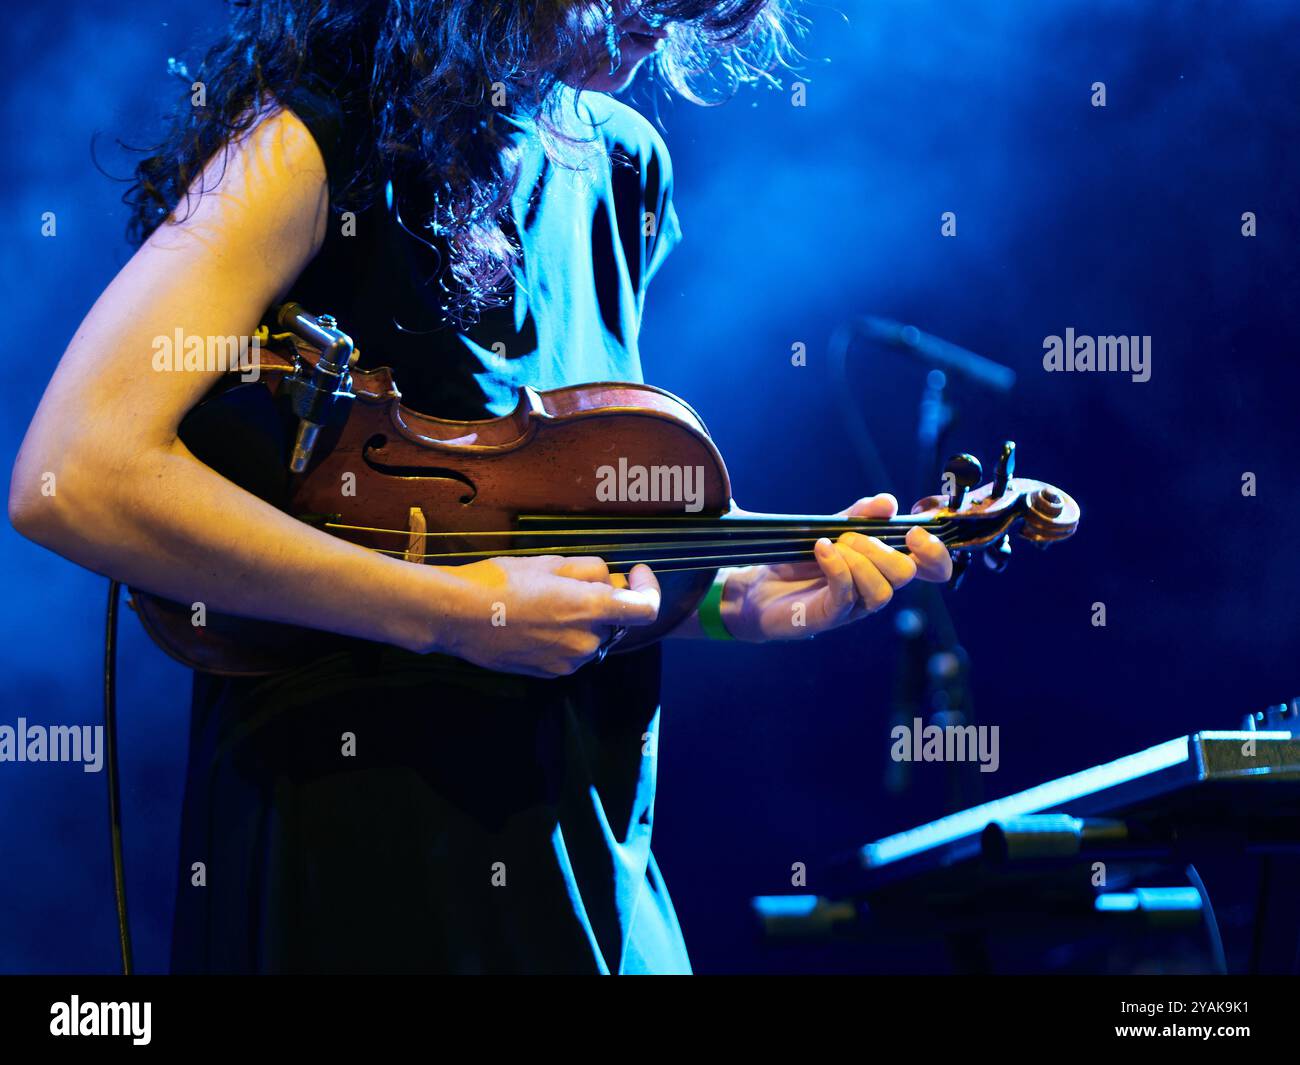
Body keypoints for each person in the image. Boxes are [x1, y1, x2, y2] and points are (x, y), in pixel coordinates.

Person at [8, 0, 951, 973]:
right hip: (362, 869)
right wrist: (453, 614)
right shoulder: (311, 145)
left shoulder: (621, 167)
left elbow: (543, 520)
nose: (671, 18)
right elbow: (72, 475)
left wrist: (727, 598)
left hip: (591, 865)